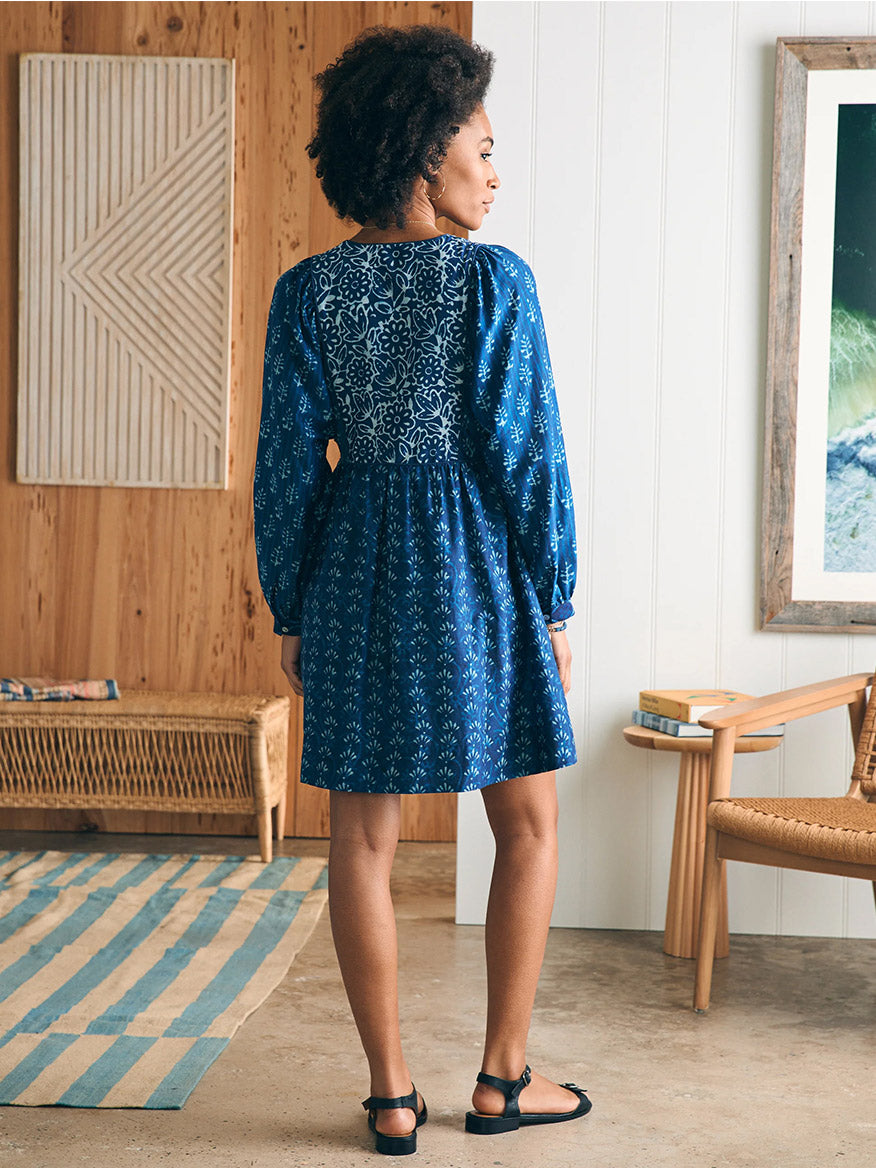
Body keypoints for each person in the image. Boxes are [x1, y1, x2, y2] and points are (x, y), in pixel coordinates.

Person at [253, 23, 590, 1157]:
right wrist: (555, 600)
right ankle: (503, 1077)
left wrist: (290, 604)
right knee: (528, 820)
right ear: (423, 148)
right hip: (479, 565)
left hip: (354, 564)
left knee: (360, 837)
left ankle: (391, 1096)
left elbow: (290, 464)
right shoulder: (494, 282)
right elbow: (527, 452)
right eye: (483, 147)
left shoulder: (308, 292)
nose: (495, 172)